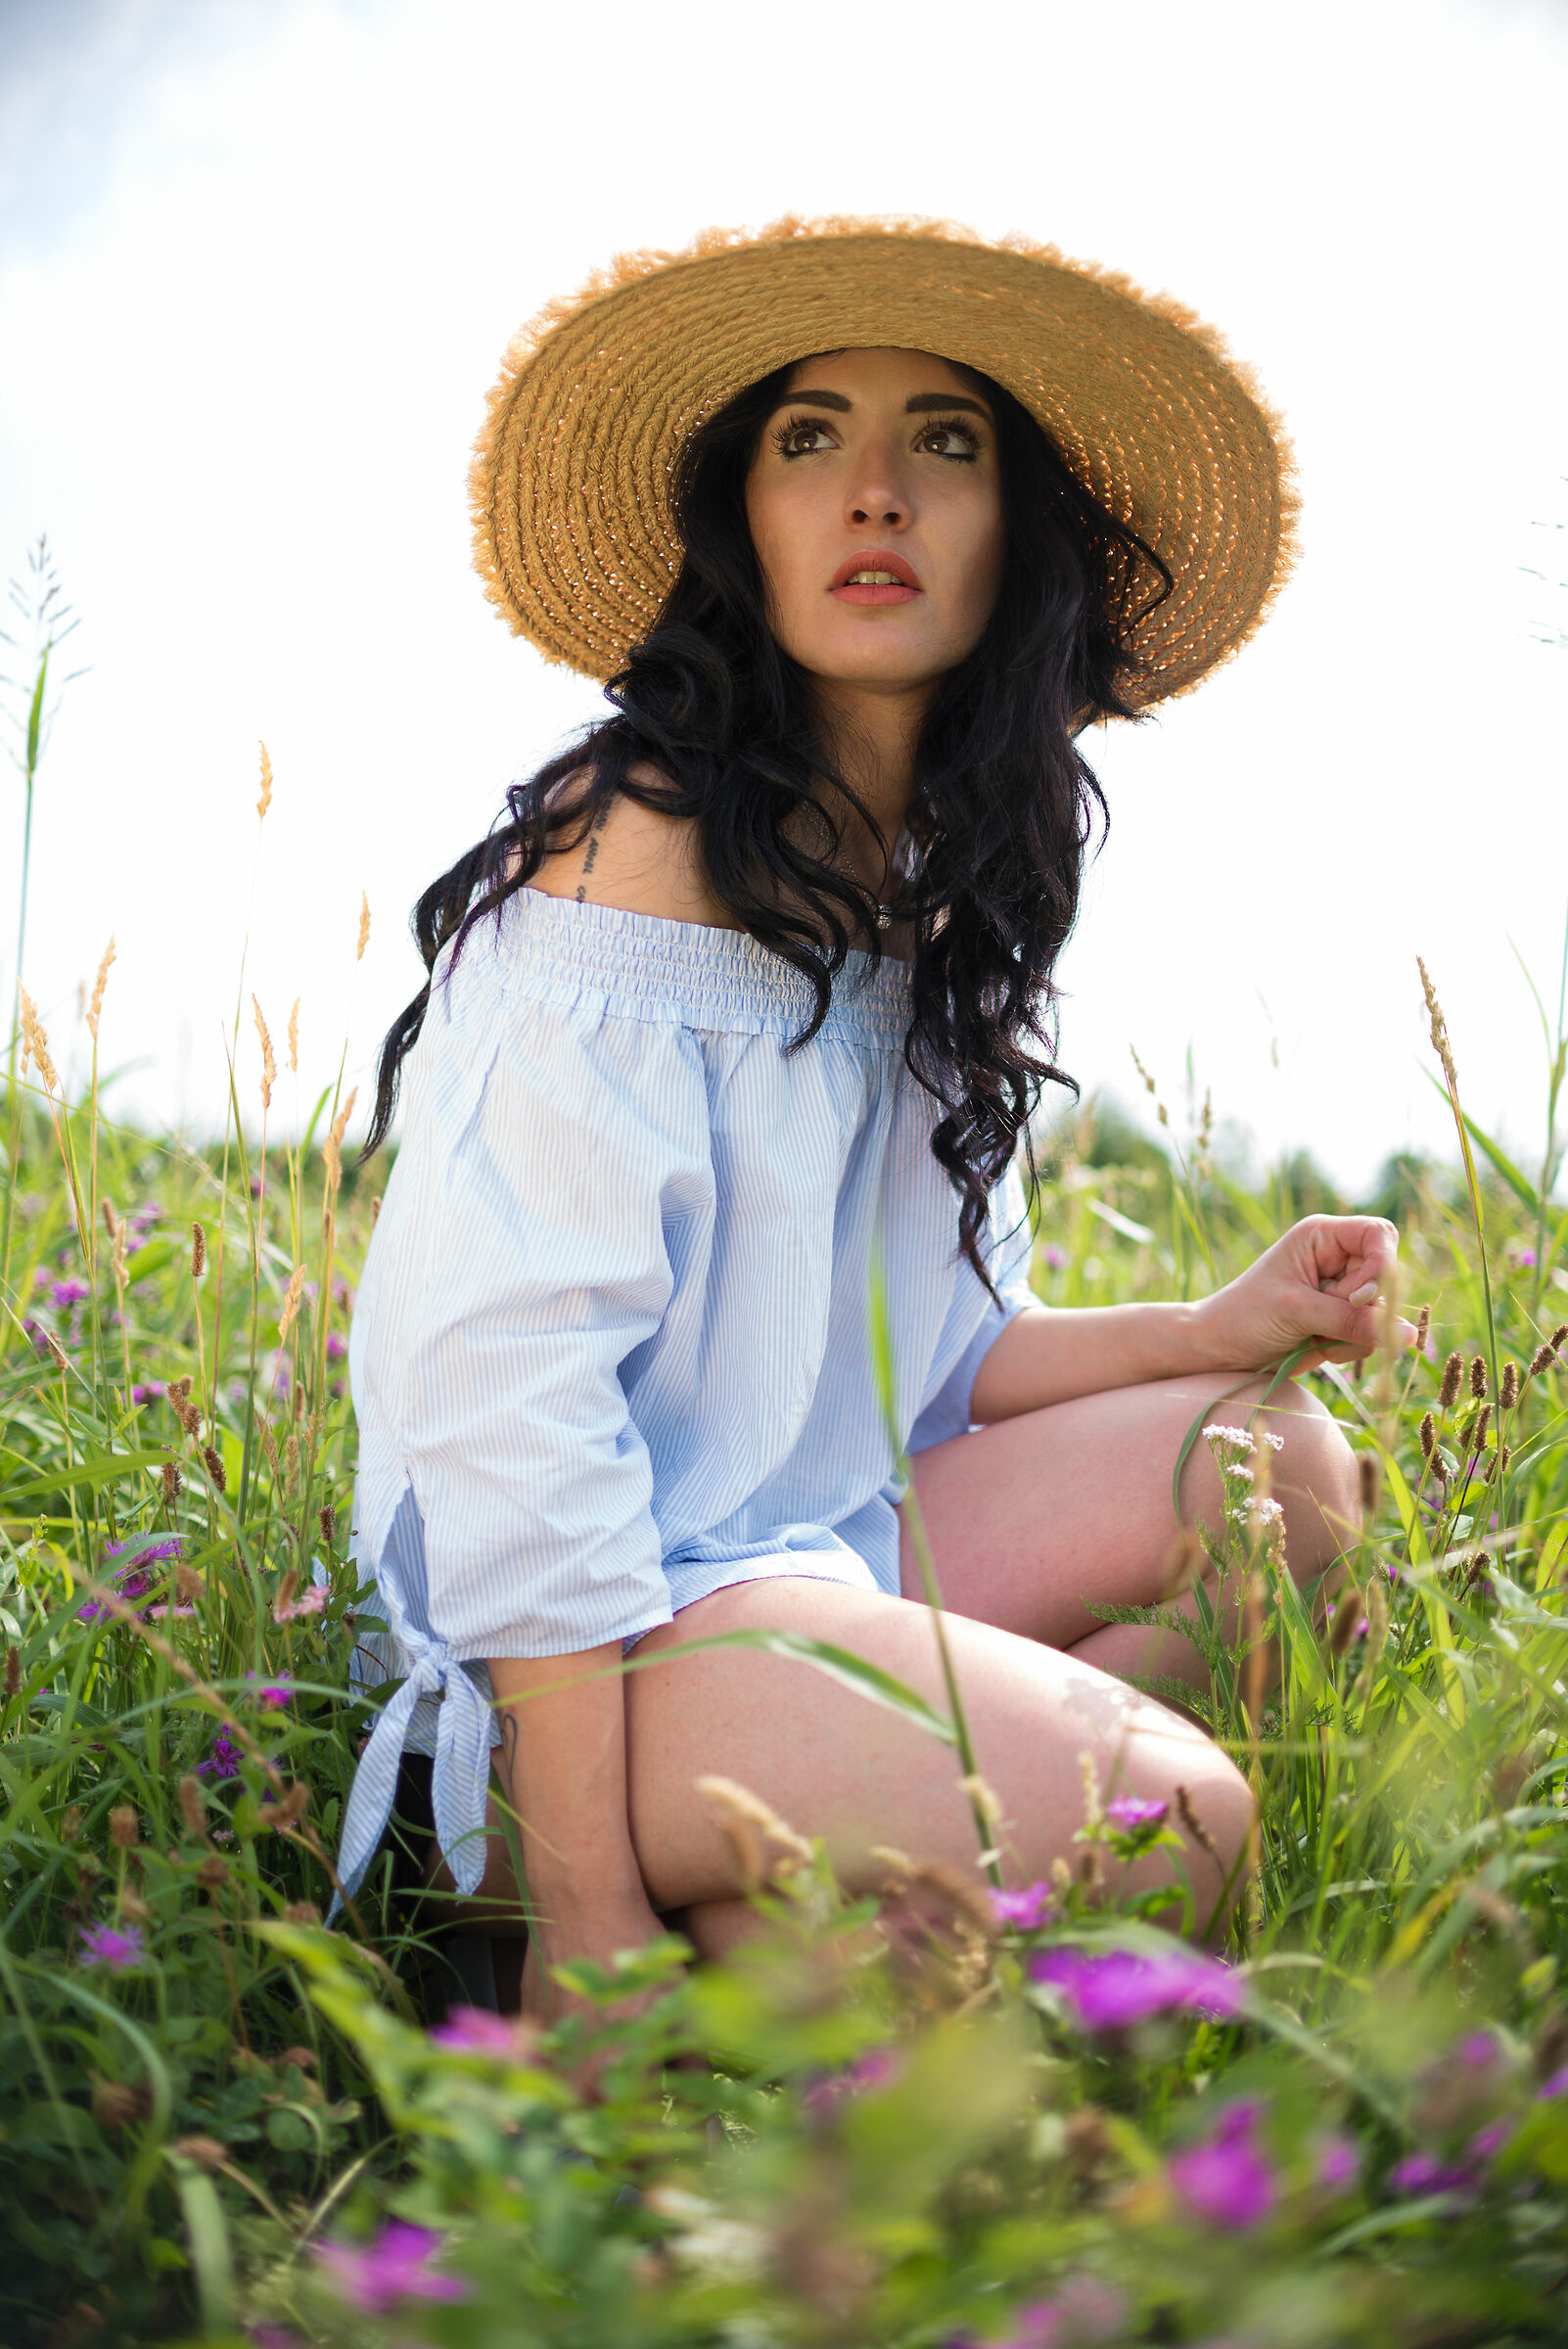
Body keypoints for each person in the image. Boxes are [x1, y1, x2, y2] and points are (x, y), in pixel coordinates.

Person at [339, 218, 1411, 2017]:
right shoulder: (639, 851)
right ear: (737, 521)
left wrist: (1220, 1328)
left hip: (800, 1548)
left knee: (1283, 1469)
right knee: (1177, 1823)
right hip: (588, 1656)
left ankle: (798, 1931)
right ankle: (580, 1930)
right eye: (809, 438)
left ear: (1020, 540)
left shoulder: (931, 885)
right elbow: (503, 1405)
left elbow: (935, 1359)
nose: (876, 497)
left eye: (948, 442)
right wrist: (589, 1911)